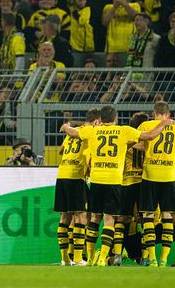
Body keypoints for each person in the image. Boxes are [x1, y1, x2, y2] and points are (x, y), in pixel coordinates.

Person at [59, 105, 171, 267]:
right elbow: (150, 135)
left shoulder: (93, 130)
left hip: (96, 180)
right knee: (109, 219)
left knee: (95, 219)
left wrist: (66, 126)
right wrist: (163, 124)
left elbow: (75, 133)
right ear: (115, 118)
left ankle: (90, 258)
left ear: (101, 119)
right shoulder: (124, 131)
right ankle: (103, 258)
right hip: (114, 181)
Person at [137, 101, 175, 267]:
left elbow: (137, 143)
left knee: (148, 217)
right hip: (169, 176)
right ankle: (164, 259)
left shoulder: (146, 124)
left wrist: (147, 148)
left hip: (150, 175)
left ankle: (152, 259)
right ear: (168, 114)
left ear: (154, 114)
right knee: (167, 217)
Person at [54, 108, 101, 266]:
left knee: (65, 216)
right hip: (75, 175)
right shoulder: (89, 131)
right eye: (100, 123)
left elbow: (60, 151)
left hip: (62, 174)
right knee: (81, 216)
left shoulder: (73, 132)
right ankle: (78, 258)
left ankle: (64, 258)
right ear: (96, 122)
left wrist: (67, 128)